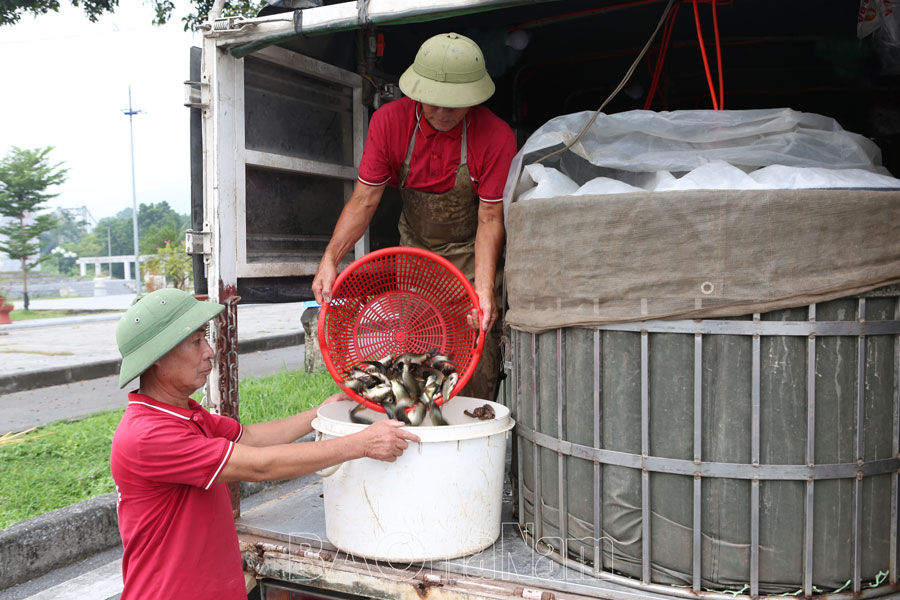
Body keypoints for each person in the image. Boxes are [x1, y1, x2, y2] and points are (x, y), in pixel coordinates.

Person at [109, 288, 419, 600]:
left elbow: (251, 438)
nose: (209, 351)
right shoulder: (148, 435)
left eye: (205, 338)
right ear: (158, 358)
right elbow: (260, 467)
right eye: (195, 341)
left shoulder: (183, 414)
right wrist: (362, 444)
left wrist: (320, 413)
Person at [312, 32, 517, 401]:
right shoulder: (389, 122)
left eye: (454, 105)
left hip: (472, 254)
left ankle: (473, 421)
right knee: (416, 357)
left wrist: (485, 290)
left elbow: (490, 219)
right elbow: (364, 200)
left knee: (476, 349)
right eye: (434, 103)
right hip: (415, 253)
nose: (442, 113)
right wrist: (330, 258)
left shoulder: (496, 136)